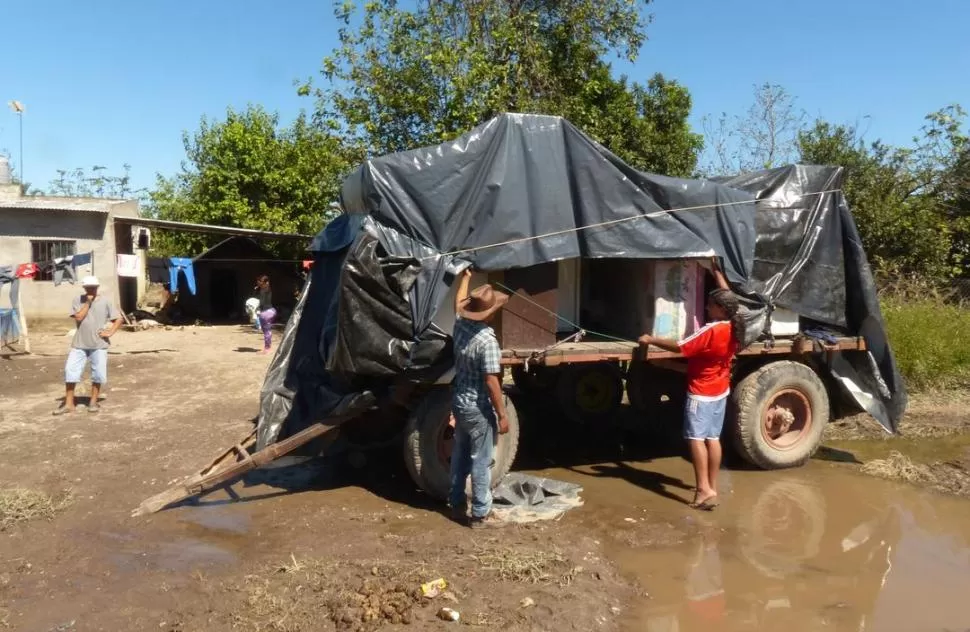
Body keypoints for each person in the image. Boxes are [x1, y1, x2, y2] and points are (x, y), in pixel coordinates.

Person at [638, 259, 742, 510]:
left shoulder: (710, 331)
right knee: (713, 439)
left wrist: (650, 339)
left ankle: (702, 490)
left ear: (720, 308)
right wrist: (716, 271)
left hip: (701, 394)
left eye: (710, 304)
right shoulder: (736, 327)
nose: (706, 307)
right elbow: (729, 297)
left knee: (695, 439)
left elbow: (681, 347)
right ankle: (712, 487)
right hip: (719, 391)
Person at [450, 268, 510, 528]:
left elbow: (457, 305)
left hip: (459, 401)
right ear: (492, 312)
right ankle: (480, 513)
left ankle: (454, 500)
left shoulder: (461, 325)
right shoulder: (487, 341)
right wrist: (503, 414)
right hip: (477, 407)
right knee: (481, 460)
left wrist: (464, 279)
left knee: (460, 453)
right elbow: (491, 381)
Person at [53, 276, 122, 415]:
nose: (91, 289)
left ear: (97, 287)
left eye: (93, 287)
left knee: (98, 374)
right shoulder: (77, 300)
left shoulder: (106, 301)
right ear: (84, 288)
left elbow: (118, 318)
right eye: (88, 287)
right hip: (79, 343)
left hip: (99, 344)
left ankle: (93, 401)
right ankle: (69, 403)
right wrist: (88, 303)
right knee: (70, 371)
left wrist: (110, 332)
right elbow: (78, 317)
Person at [254, 274, 275, 354]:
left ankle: (268, 349)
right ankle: (267, 347)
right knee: (265, 330)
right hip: (266, 311)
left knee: (267, 331)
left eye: (260, 281)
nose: (259, 283)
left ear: (266, 282)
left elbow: (262, 302)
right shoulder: (262, 289)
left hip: (268, 312)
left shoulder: (266, 289)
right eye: (258, 281)